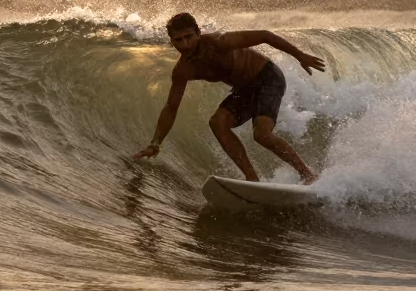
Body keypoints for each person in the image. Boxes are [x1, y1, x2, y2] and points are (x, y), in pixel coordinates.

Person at [133, 12, 324, 183]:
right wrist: (155, 143)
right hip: (244, 89)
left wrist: (300, 55)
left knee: (261, 135)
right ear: (171, 41)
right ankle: (252, 178)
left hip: (268, 78)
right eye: (178, 40)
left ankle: (307, 174)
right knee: (218, 122)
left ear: (198, 33)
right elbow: (171, 107)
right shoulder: (183, 70)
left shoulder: (220, 42)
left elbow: (265, 35)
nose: (185, 44)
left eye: (188, 37)